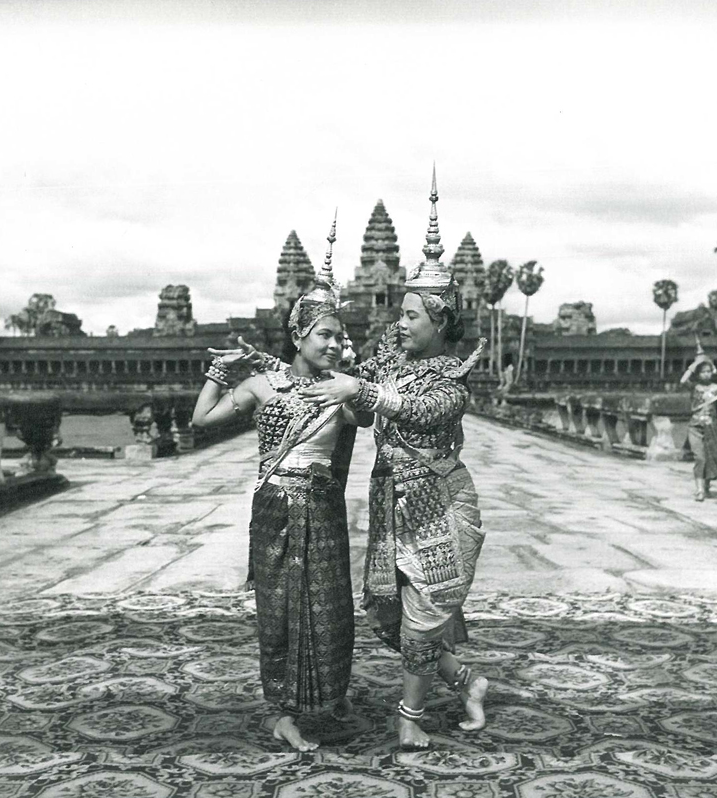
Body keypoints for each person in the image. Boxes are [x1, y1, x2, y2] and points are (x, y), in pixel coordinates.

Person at [298, 169, 490, 750]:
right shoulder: (387, 360)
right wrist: (314, 340)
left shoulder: (449, 381)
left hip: (439, 507)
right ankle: (467, 682)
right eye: (400, 314)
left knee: (424, 616)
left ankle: (409, 716)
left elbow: (416, 409)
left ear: (439, 322)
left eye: (411, 316)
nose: (399, 323)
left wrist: (361, 391)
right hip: (389, 501)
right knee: (386, 616)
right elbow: (353, 390)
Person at [192, 216, 372, 751]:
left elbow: (367, 418)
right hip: (276, 506)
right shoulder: (263, 386)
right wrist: (221, 371)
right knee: (281, 609)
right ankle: (284, 713)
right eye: (325, 335)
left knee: (331, 605)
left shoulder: (340, 391)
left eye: (341, 336)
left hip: (322, 505)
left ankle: (327, 696)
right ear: (298, 336)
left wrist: (353, 385)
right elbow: (202, 420)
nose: (336, 345)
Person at [680, 344, 717, 501]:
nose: (706, 374)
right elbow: (683, 380)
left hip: (712, 426)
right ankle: (699, 490)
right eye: (703, 372)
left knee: (711, 457)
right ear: (698, 373)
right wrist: (695, 364)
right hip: (695, 426)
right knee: (700, 457)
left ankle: (706, 485)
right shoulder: (694, 387)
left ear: (712, 372)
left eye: (708, 371)